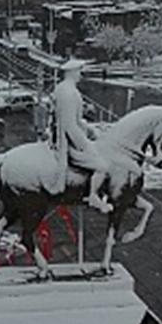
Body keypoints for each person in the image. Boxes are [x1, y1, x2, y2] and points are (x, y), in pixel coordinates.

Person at [51, 59, 112, 212]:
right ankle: (93, 196)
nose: (81, 75)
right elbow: (69, 125)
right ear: (71, 72)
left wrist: (91, 130)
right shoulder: (69, 93)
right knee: (102, 166)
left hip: (66, 136)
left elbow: (77, 121)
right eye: (79, 71)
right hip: (67, 141)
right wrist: (84, 145)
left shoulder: (63, 88)